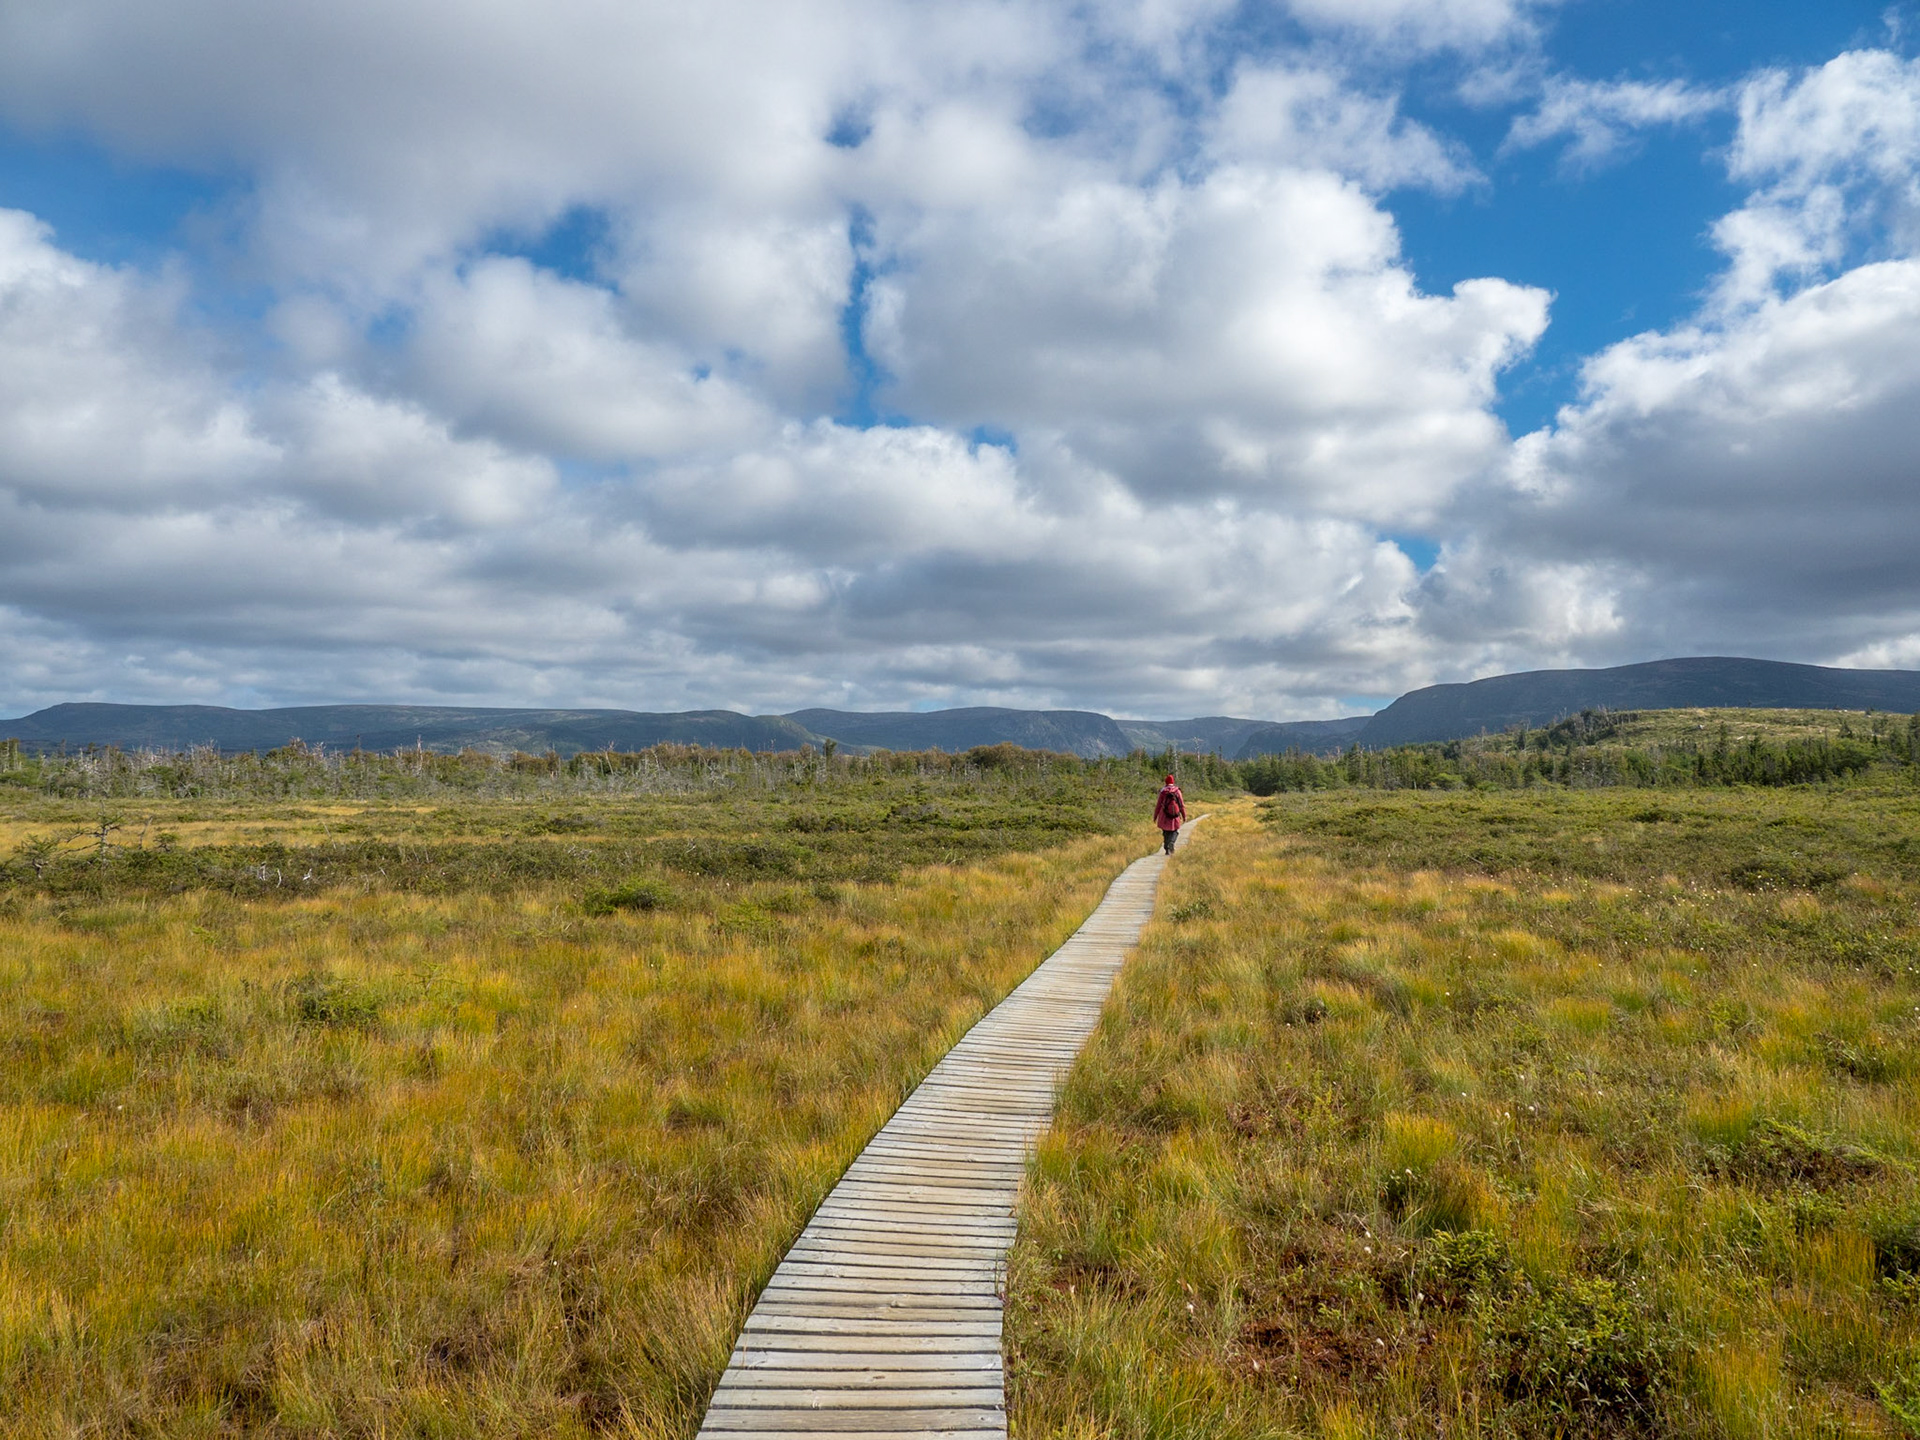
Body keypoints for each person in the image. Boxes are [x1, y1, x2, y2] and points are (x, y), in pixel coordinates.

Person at [1152, 772, 1186, 855]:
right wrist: (1184, 815)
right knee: (1174, 831)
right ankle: (1172, 842)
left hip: (1164, 815)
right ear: (1173, 782)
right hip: (1174, 815)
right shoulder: (1177, 791)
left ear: (1166, 782)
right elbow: (1181, 805)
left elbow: (1158, 805)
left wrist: (1155, 816)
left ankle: (1167, 848)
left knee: (1165, 832)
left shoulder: (1163, 791)